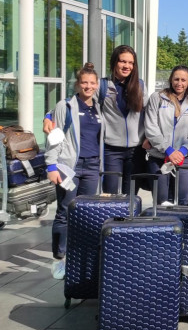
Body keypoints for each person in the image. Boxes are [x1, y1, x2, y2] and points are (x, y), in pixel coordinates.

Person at [45, 63, 104, 279]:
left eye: (92, 83)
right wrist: (51, 165)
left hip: (92, 167)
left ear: (97, 85)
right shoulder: (66, 106)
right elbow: (55, 137)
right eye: (84, 83)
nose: (88, 86)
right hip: (69, 167)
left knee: (85, 213)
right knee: (65, 212)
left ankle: (79, 256)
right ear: (78, 84)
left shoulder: (98, 107)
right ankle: (59, 258)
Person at [143, 65, 188, 205]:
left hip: (184, 159)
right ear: (171, 79)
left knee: (181, 202)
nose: (179, 83)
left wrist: (182, 152)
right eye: (176, 79)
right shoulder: (157, 98)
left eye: (183, 80)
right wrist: (168, 150)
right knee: (161, 202)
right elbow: (151, 127)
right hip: (159, 157)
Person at [96, 45, 149, 194]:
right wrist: (50, 116)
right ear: (114, 62)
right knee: (110, 194)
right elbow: (79, 101)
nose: (127, 66)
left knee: (130, 196)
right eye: (122, 61)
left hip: (136, 151)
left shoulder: (140, 85)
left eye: (131, 63)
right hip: (111, 151)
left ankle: (129, 212)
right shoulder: (102, 85)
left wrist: (149, 137)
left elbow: (150, 113)